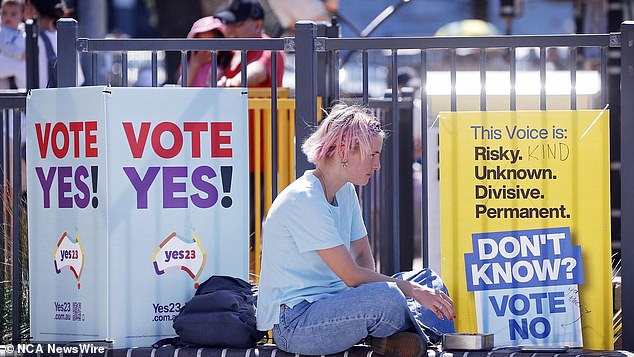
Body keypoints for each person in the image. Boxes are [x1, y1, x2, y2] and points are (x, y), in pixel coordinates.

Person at [257, 104, 456, 357]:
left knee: (428, 280)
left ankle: (399, 336)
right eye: (372, 155)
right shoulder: (304, 199)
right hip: (296, 323)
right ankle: (424, 337)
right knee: (391, 297)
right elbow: (351, 275)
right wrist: (409, 293)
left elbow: (363, 257)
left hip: (336, 305)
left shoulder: (346, 191)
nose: (378, 165)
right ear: (343, 151)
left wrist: (395, 293)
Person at [214, 0, 284, 88]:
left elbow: (257, 71)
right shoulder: (230, 51)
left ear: (258, 25)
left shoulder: (270, 48)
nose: (229, 29)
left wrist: (233, 82)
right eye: (228, 22)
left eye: (237, 23)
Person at [23, 0, 84, 88]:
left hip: (33, 100)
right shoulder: (67, 39)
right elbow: (79, 80)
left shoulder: (24, 39)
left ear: (30, 7)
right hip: (62, 100)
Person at [179, 16, 232, 87]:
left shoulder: (226, 62)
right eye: (201, 44)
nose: (207, 49)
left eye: (212, 43)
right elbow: (181, 85)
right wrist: (194, 65)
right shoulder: (189, 63)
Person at [0, 0, 26, 89]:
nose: (8, 17)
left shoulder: (21, 28)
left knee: (5, 86)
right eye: (4, 13)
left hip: (10, 64)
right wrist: (20, 54)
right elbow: (5, 46)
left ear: (21, 16)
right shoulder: (2, 30)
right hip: (4, 61)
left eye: (13, 14)